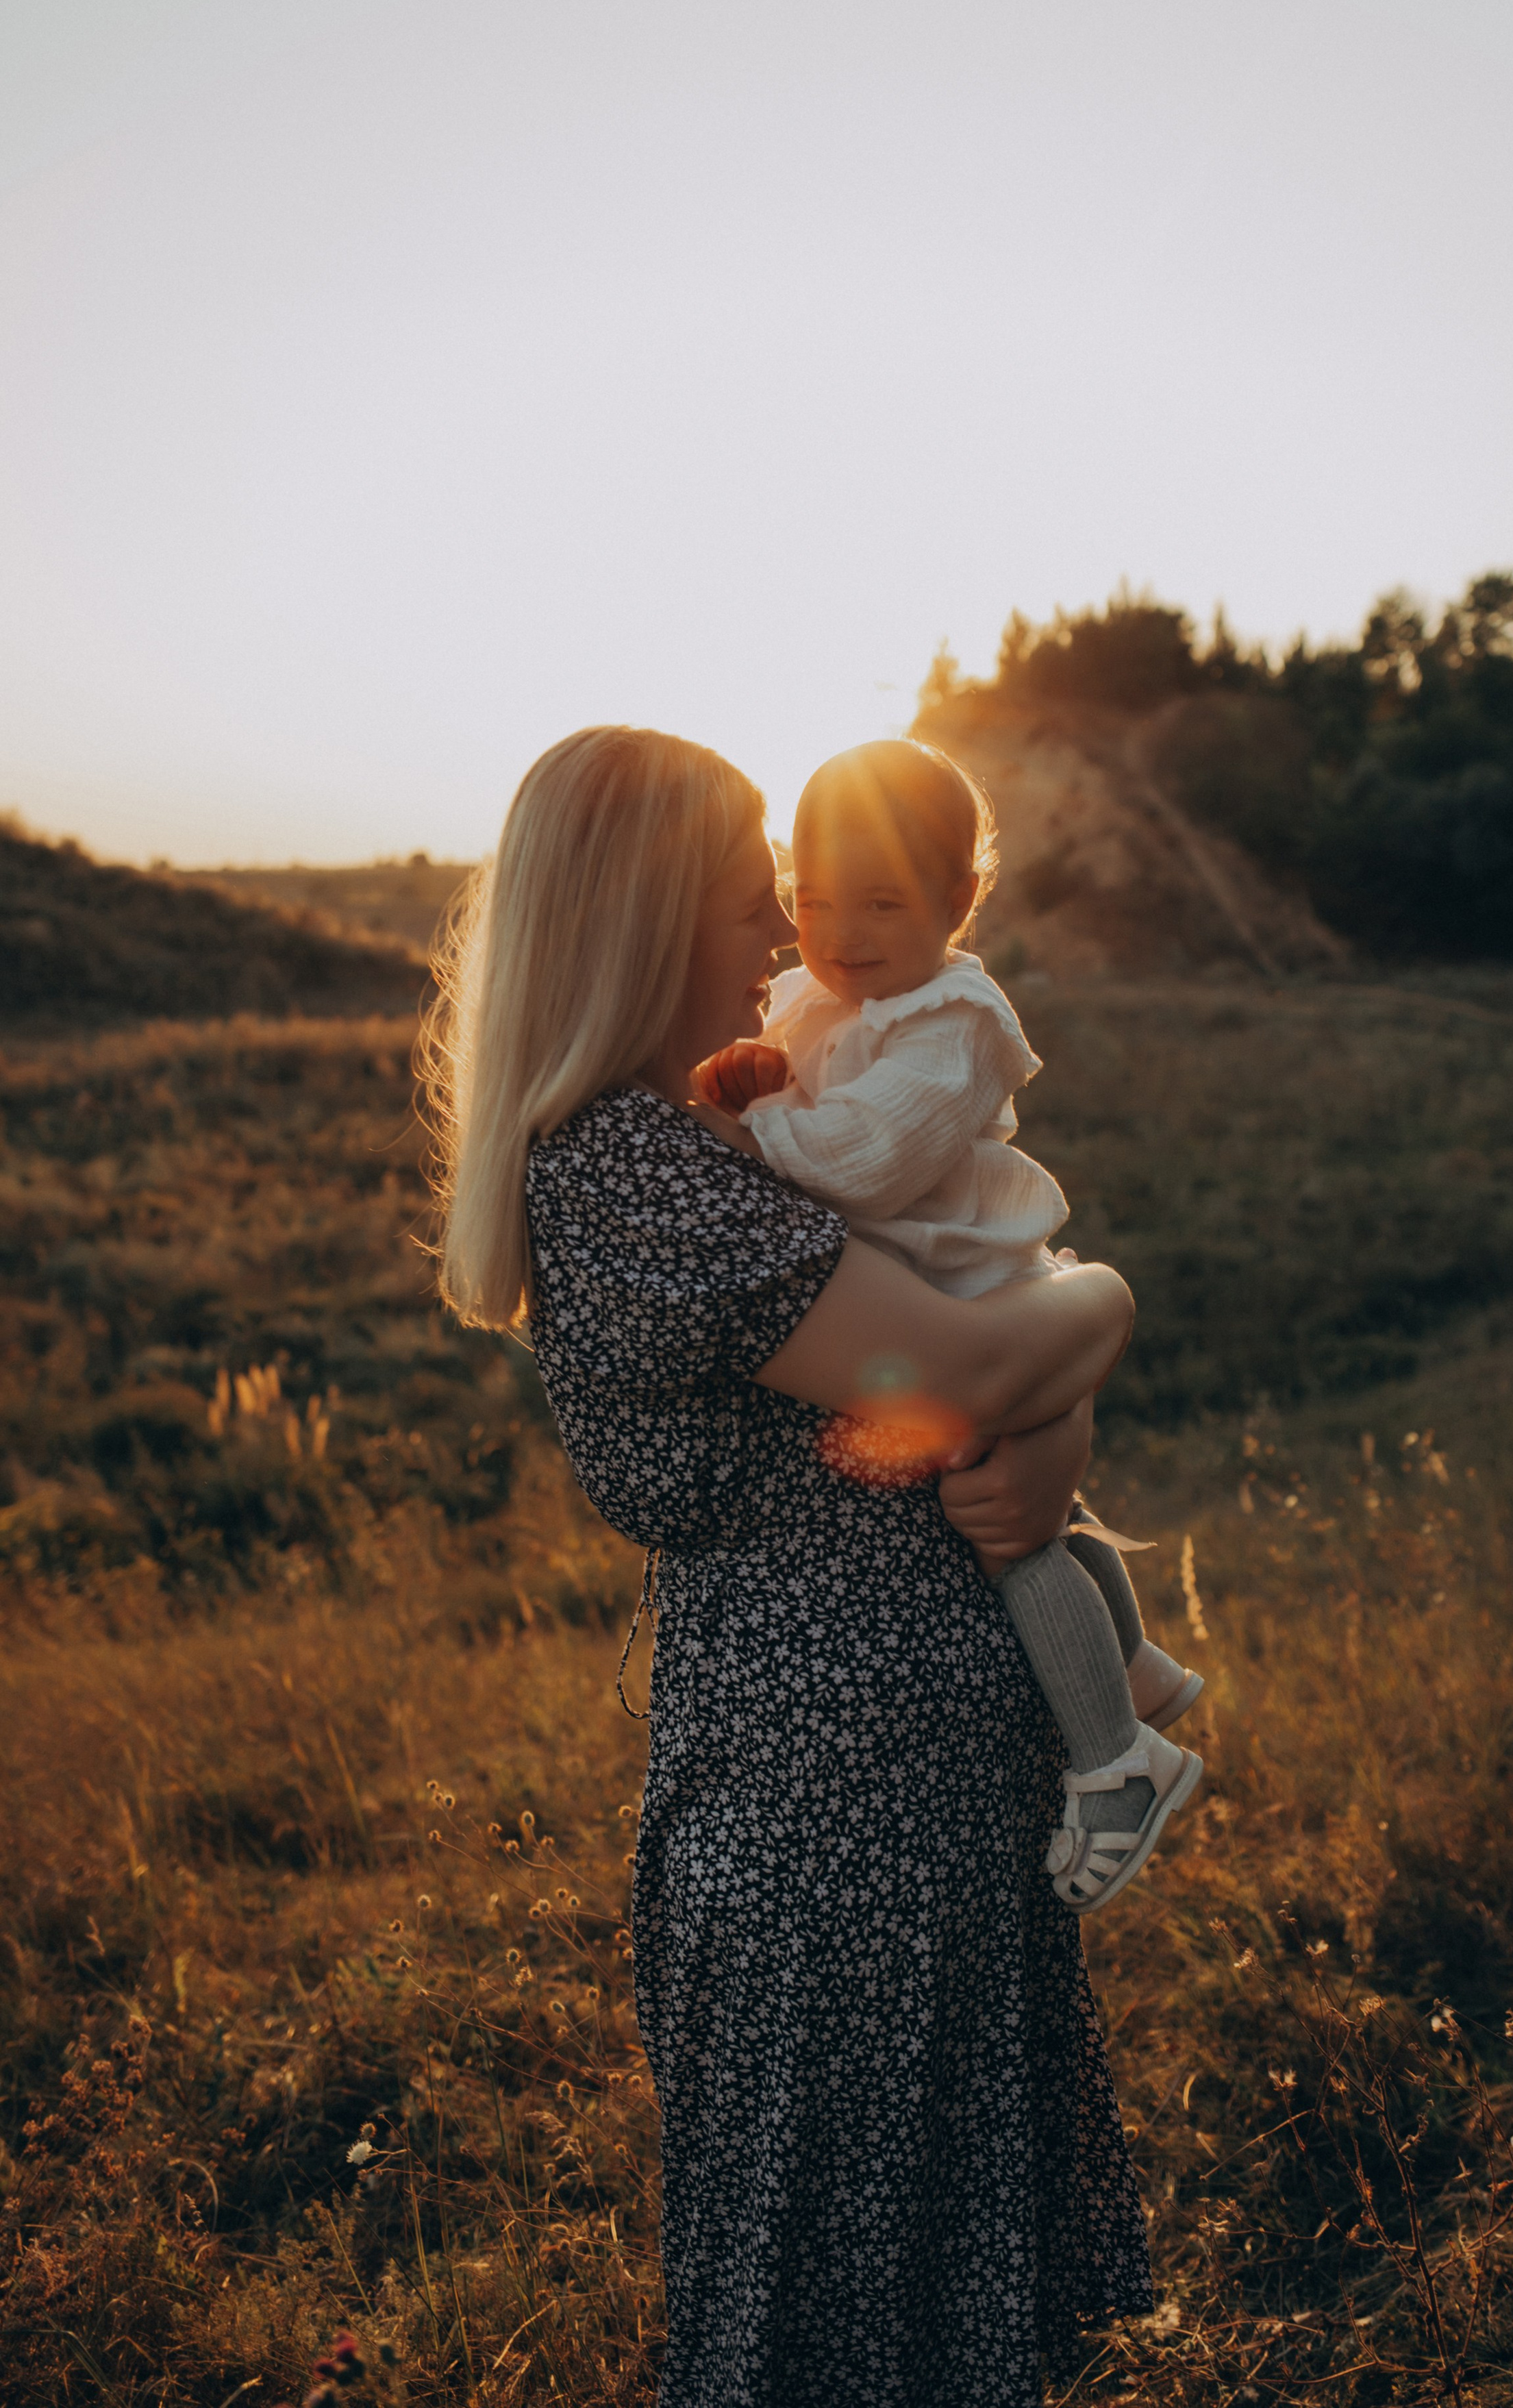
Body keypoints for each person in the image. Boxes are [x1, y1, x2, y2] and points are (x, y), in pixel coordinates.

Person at [422, 725, 1153, 2408]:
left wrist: (1053, 1427)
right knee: (821, 2331)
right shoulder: (626, 1168)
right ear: (639, 920)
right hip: (831, 1838)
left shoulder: (698, 1136)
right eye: (750, 889)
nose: (780, 928)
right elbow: (967, 1373)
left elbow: (950, 1384)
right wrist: (1101, 1314)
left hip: (903, 1810)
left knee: (921, 2316)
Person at [693, 738, 1203, 1913]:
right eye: (814, 902)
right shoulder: (813, 994)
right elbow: (770, 1074)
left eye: (883, 903)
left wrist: (752, 1129)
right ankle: (1124, 1667)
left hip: (971, 1290)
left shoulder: (955, 1018)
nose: (842, 932)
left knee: (1006, 1524)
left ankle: (1117, 1761)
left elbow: (866, 1162)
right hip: (921, 1297)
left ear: (960, 901)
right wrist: (749, 1074)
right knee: (1044, 1509)